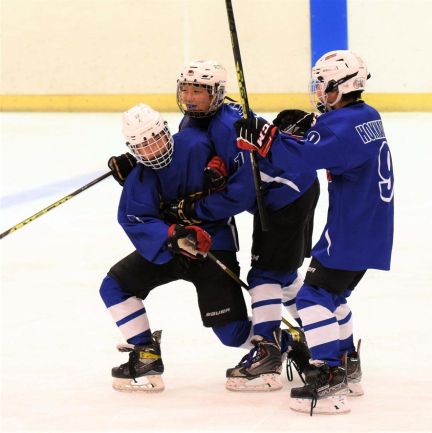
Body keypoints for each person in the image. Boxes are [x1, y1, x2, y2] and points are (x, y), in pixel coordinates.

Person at [235, 50, 395, 414]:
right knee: (333, 297)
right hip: (369, 226)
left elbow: (305, 158)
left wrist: (267, 140)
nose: (319, 91)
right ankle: (347, 365)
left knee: (313, 298)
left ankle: (328, 374)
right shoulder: (365, 116)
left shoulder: (345, 125)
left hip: (352, 229)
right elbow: (311, 148)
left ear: (344, 85)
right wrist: (270, 137)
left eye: (323, 84)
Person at [162, 60, 319, 391]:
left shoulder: (228, 127)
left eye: (199, 92)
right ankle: (320, 334)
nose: (190, 98)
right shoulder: (193, 119)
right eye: (186, 89)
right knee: (283, 273)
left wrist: (194, 207)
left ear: (217, 94)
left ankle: (266, 355)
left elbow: (240, 193)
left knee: (265, 276)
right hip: (285, 193)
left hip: (287, 195)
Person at [100, 103, 251, 392]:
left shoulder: (198, 144)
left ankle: (279, 341)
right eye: (141, 146)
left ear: (167, 131)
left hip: (211, 247)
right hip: (170, 249)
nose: (152, 150)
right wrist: (172, 233)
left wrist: (220, 165)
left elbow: (234, 168)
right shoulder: (141, 176)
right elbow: (135, 218)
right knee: (114, 286)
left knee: (232, 334)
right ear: (132, 148)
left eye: (154, 139)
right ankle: (145, 354)